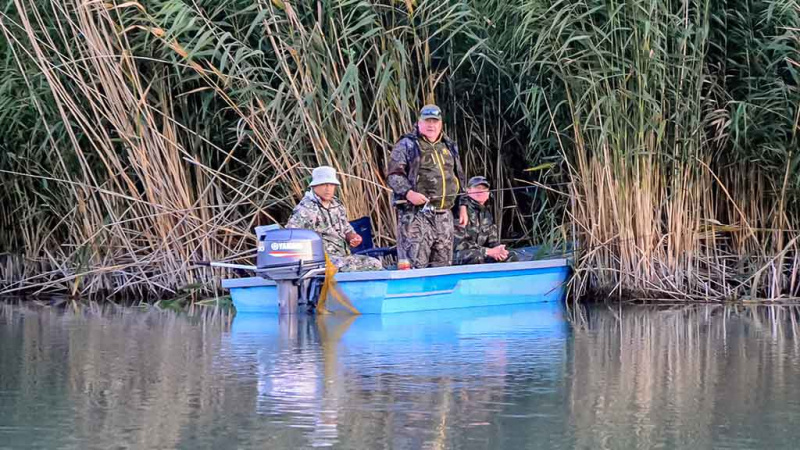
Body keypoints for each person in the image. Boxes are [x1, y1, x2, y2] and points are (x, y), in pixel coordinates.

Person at [387, 104, 468, 268]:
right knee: (415, 266)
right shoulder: (407, 144)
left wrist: (463, 205)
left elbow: (459, 176)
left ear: (441, 124)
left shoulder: (448, 145)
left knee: (443, 266)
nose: (431, 125)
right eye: (427, 121)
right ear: (419, 122)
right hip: (417, 215)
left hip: (445, 215)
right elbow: (393, 174)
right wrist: (409, 193)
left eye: (435, 121)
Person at [286, 166, 382, 272]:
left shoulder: (337, 205)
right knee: (371, 266)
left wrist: (353, 237)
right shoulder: (305, 209)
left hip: (342, 256)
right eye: (323, 184)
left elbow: (347, 229)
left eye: (331, 185)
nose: (328, 188)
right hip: (322, 260)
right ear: (314, 186)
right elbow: (291, 237)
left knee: (374, 263)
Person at [453, 176, 518, 265]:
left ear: (488, 193)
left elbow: (492, 241)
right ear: (468, 190)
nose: (481, 191)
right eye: (477, 188)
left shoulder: (486, 214)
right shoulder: (460, 210)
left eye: (484, 189)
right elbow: (459, 244)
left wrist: (499, 250)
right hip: (458, 255)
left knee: (510, 255)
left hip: (482, 253)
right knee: (477, 257)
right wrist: (488, 251)